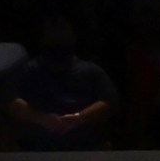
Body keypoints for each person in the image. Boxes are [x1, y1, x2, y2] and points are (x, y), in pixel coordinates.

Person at [6, 17, 117, 151]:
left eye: (62, 31)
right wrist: (42, 119)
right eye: (52, 32)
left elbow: (110, 101)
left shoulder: (91, 70)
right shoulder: (27, 71)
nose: (57, 37)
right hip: (37, 149)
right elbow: (11, 101)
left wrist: (78, 118)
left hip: (85, 147)